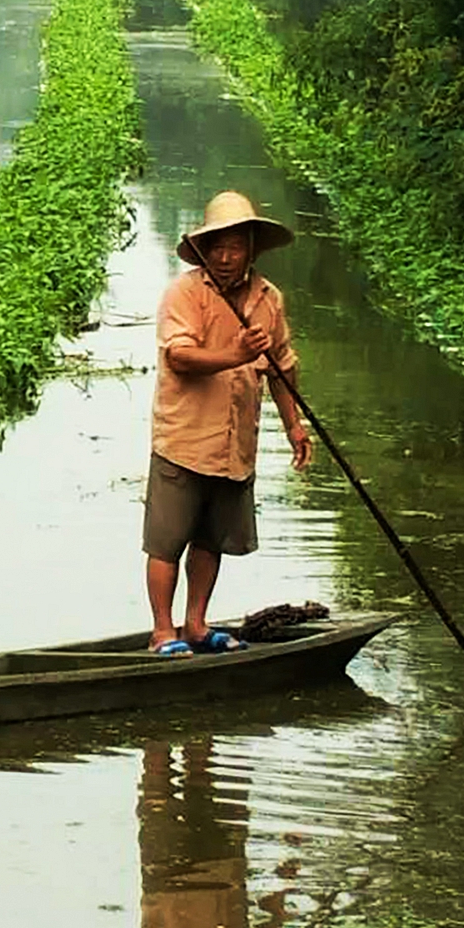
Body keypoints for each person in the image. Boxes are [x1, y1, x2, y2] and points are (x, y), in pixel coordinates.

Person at [144, 191, 313, 657]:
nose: (224, 256)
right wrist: (234, 354)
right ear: (203, 248)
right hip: (184, 438)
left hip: (236, 441)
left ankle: (196, 625)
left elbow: (282, 367)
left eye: (235, 246)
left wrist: (294, 425)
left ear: (251, 249)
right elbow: (179, 356)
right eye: (216, 246)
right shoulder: (185, 293)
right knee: (166, 541)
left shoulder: (268, 299)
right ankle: (163, 632)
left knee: (210, 539)